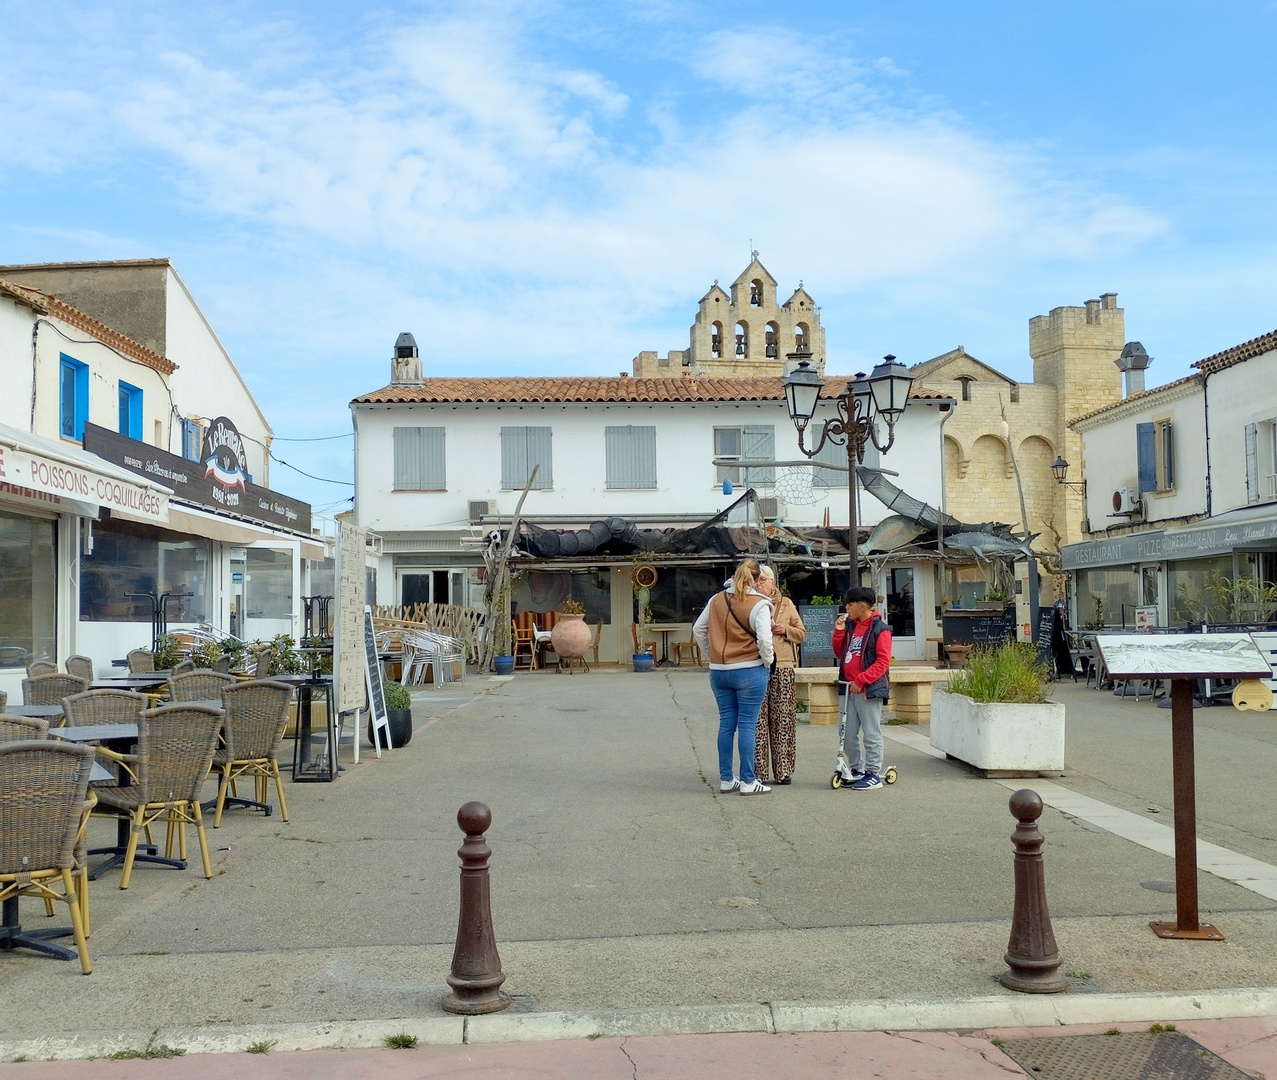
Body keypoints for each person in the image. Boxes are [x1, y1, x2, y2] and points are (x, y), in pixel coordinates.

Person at [693, 559, 775, 795]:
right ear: (757, 578)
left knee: (726, 724)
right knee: (747, 725)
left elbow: (698, 629)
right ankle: (749, 781)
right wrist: (767, 662)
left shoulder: (716, 599)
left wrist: (712, 654)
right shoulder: (759, 603)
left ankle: (727, 779)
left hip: (719, 671)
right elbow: (764, 639)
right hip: (749, 668)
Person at [831, 585, 892, 791]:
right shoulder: (850, 626)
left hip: (867, 690)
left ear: (862, 606)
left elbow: (883, 662)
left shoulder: (879, 629)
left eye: (850, 604)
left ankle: (873, 773)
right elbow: (841, 653)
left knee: (871, 732)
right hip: (847, 688)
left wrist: (862, 680)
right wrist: (838, 633)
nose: (846, 608)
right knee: (846, 734)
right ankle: (857, 768)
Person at [753, 564, 806, 785]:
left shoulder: (786, 604)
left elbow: (802, 634)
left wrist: (785, 630)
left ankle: (783, 770)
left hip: (783, 664)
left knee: (783, 718)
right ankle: (760, 772)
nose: (757, 583)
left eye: (762, 579)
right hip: (755, 664)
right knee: (758, 720)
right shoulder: (749, 603)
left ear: (772, 582)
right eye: (755, 579)